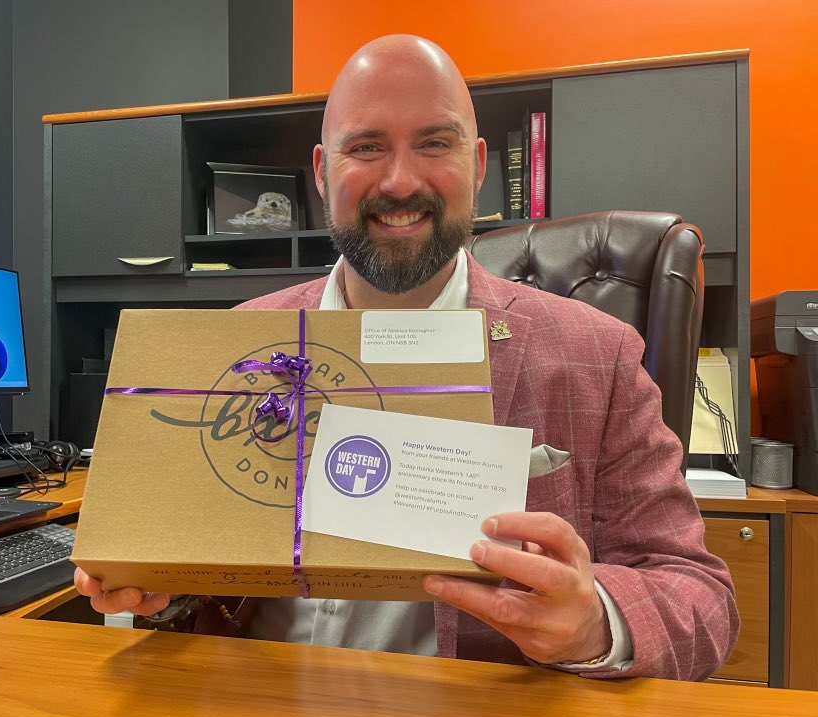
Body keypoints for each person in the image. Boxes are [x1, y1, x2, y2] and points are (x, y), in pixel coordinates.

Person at [75, 34, 738, 681]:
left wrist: (594, 621)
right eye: (366, 148)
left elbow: (698, 596)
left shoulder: (599, 354)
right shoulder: (241, 346)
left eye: (434, 143)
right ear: (320, 171)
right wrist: (151, 581)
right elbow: (198, 587)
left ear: (478, 166)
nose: (400, 180)